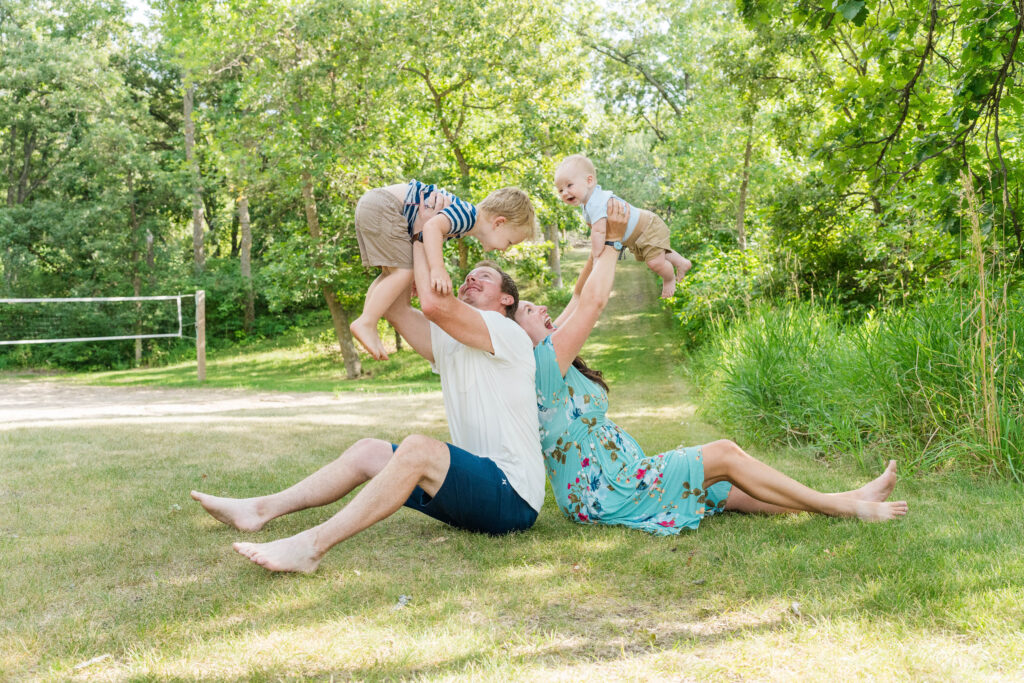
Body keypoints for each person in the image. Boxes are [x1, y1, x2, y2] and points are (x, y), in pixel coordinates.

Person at [514, 200, 908, 533]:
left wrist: (601, 240)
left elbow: (582, 293)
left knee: (727, 490)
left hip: (618, 479)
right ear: (517, 334)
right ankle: (848, 506)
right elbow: (593, 304)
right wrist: (615, 239)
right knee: (723, 453)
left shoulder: (551, 352)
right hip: (603, 492)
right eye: (530, 310)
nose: (543, 308)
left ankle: (845, 500)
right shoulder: (542, 364)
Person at [191, 216, 544, 572]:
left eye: (484, 277)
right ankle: (258, 510)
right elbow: (394, 307)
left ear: (506, 299)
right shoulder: (450, 342)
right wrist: (399, 233)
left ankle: (310, 547)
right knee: (369, 451)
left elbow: (435, 306)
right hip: (475, 495)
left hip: (511, 498)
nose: (471, 278)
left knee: (419, 448)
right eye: (470, 275)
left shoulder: (507, 332)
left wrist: (427, 229)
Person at [349, 180, 537, 360]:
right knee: (402, 273)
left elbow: (426, 235)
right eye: (509, 242)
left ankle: (367, 319)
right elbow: (430, 227)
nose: (505, 249)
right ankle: (367, 321)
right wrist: (438, 270)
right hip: (386, 207)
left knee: (391, 274)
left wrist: (416, 276)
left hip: (375, 204)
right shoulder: (468, 216)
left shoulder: (462, 220)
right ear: (498, 223)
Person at [554, 154, 690, 298]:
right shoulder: (588, 206)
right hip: (639, 233)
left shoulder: (596, 202)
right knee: (656, 253)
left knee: (655, 262)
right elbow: (597, 229)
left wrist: (596, 257)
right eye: (560, 190)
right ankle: (681, 262)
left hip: (647, 227)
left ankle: (668, 279)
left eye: (569, 185)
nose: (565, 192)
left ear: (589, 181)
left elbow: (599, 232)